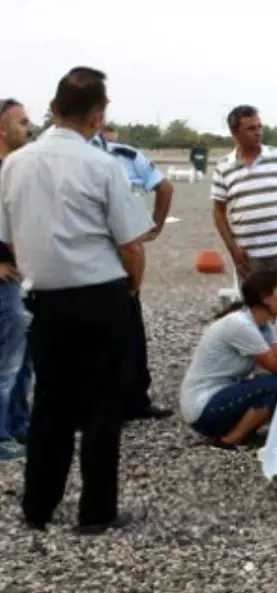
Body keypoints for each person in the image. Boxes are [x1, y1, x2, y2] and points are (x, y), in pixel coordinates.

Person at [0, 67, 156, 533]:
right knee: (103, 407)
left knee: (50, 402)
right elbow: (132, 242)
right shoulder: (101, 164)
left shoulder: (16, 165)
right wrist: (131, 285)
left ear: (53, 107)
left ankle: (39, 505)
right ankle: (96, 512)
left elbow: (6, 236)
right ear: (97, 114)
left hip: (45, 297)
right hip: (100, 294)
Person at [90, 124, 176, 421]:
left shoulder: (124, 155)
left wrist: (155, 226)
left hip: (117, 257)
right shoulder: (75, 158)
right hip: (97, 259)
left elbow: (165, 186)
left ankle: (131, 400)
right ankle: (111, 402)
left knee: (128, 331)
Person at [211, 105, 277, 313]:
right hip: (250, 257)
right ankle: (266, 346)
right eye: (251, 128)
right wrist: (232, 248)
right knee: (258, 312)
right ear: (235, 132)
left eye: (260, 126)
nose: (258, 132)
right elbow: (218, 212)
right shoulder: (223, 167)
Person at [179, 269, 277, 449]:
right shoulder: (240, 325)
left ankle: (244, 433)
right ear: (265, 297)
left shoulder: (263, 326)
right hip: (204, 410)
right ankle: (229, 440)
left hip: (220, 398)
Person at [0, 98, 31, 459]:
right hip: (5, 282)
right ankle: (2, 435)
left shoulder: (16, 168)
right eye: (21, 122)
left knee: (25, 360)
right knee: (7, 361)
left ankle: (21, 424)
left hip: (24, 276)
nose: (28, 128)